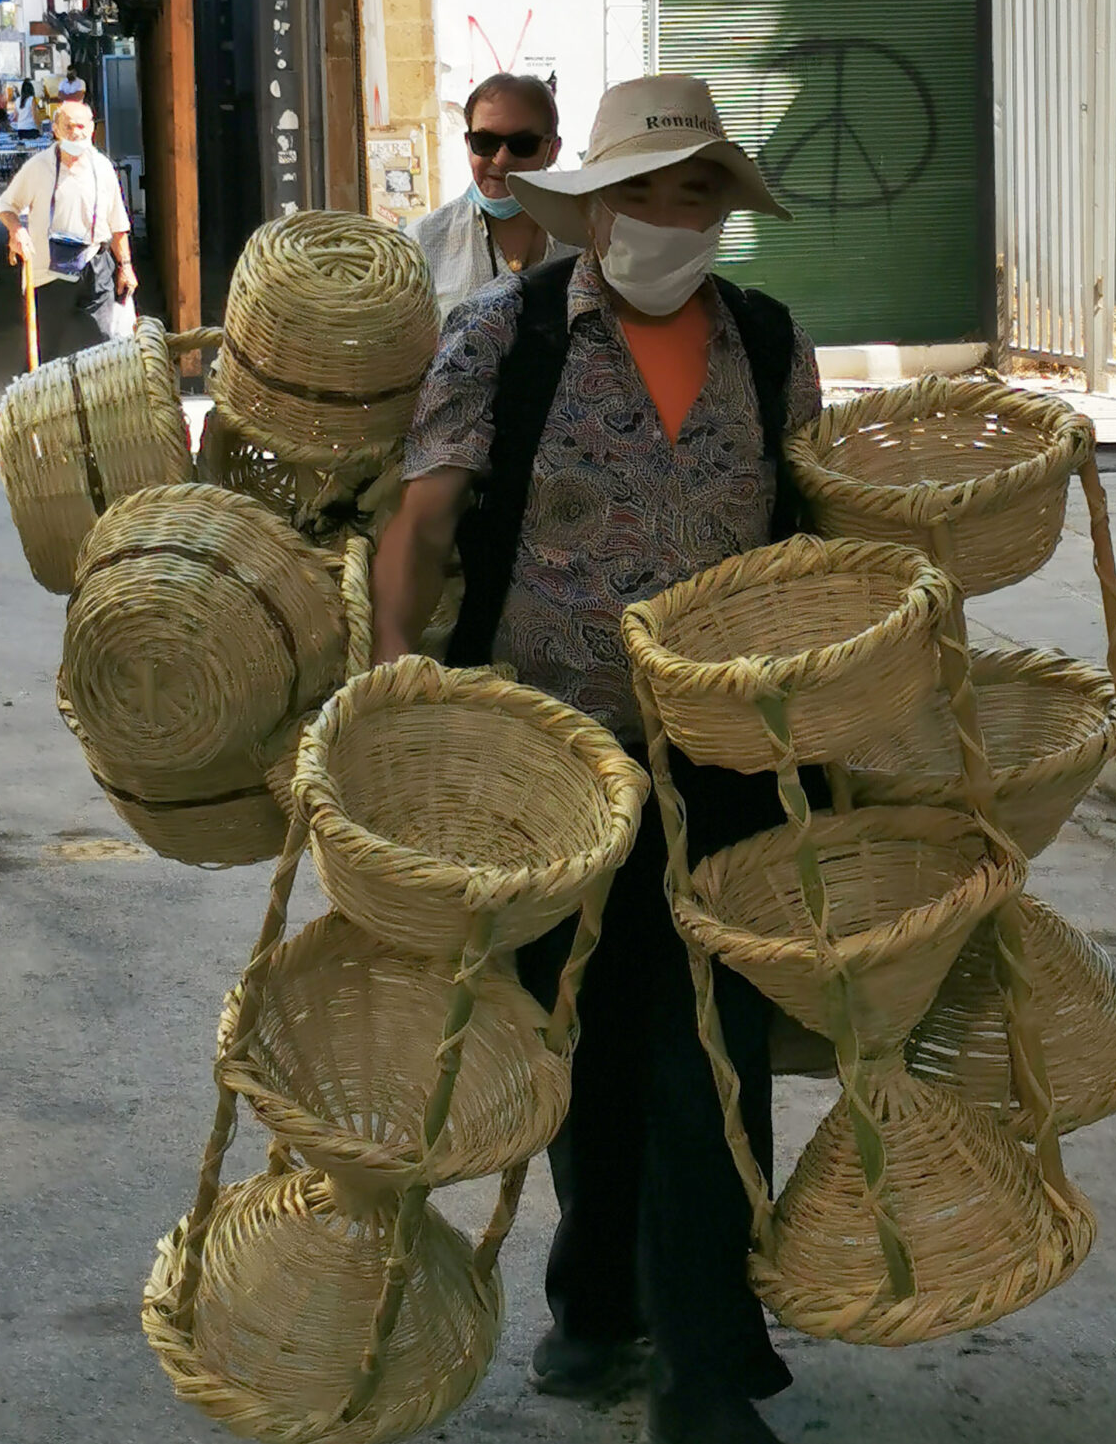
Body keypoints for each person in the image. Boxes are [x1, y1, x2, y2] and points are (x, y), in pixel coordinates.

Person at [371, 74, 812, 1444]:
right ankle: (597, 1301)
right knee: (586, 1047)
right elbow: (427, 517)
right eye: (643, 193)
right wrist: (394, 680)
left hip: (729, 757)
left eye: (696, 195)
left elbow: (816, 528)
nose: (671, 218)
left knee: (710, 1057)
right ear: (592, 205)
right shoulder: (506, 338)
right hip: (548, 760)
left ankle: (704, 1367)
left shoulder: (772, 340)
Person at [409, 73, 571, 314]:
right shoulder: (422, 243)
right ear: (467, 144)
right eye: (484, 142)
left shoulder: (587, 239)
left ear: (553, 150)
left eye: (522, 144)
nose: (501, 159)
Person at [0, 99, 137, 363]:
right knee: (44, 347)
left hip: (96, 262)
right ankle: (38, 400)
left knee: (106, 339)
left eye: (82, 127)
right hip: (50, 266)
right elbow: (6, 205)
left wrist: (125, 266)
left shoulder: (102, 167)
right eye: (69, 127)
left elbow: (118, 222)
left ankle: (102, 400)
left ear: (92, 130)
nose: (76, 133)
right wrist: (16, 230)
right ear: (56, 131)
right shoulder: (39, 166)